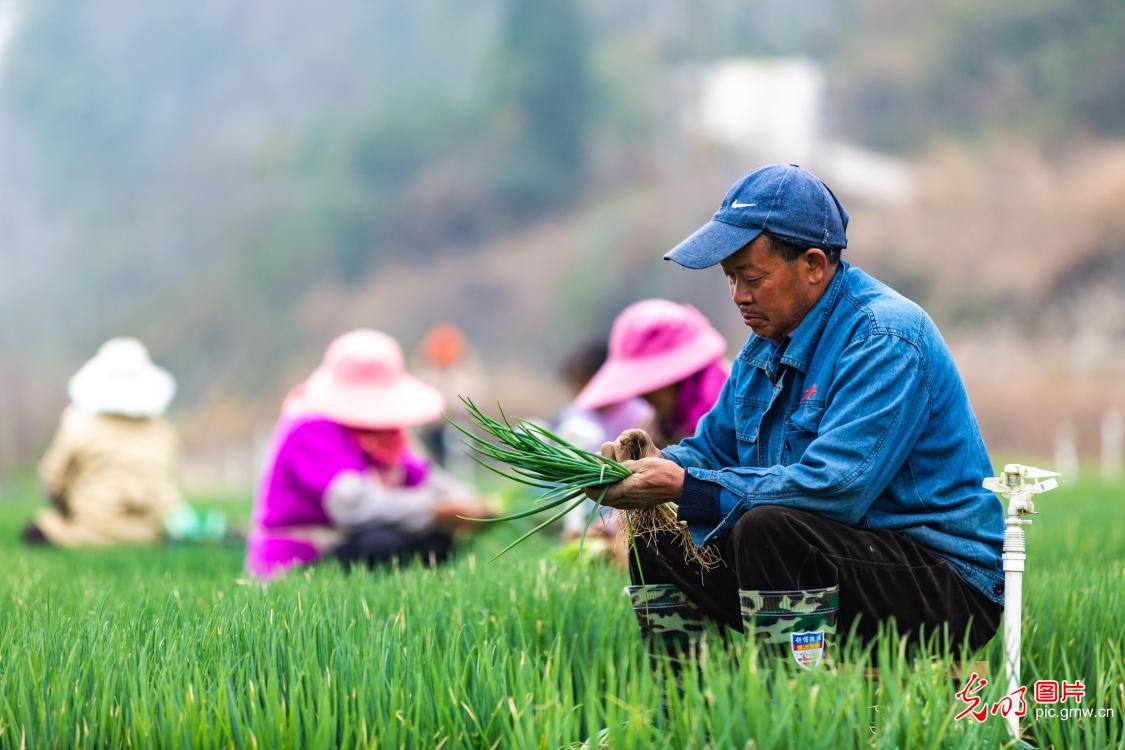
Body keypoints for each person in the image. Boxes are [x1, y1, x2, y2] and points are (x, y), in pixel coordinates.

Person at [593, 164, 1003, 669]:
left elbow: (836, 488)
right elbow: (711, 449)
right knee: (655, 533)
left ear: (812, 264)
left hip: (943, 582)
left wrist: (687, 486)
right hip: (837, 559)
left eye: (753, 278)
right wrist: (641, 470)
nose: (739, 296)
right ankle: (683, 713)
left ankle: (794, 708)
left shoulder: (885, 337)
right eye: (731, 279)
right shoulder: (764, 346)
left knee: (769, 529)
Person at [247, 329, 493, 580]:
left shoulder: (382, 434)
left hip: (348, 545)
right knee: (382, 543)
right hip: (302, 559)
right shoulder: (311, 429)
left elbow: (424, 475)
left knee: (436, 540)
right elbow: (353, 505)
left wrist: (472, 503)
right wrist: (433, 510)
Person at [23, 337, 182, 547]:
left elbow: (52, 479)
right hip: (152, 532)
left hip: (93, 529)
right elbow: (171, 476)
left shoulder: (79, 423)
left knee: (39, 527)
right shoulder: (163, 429)